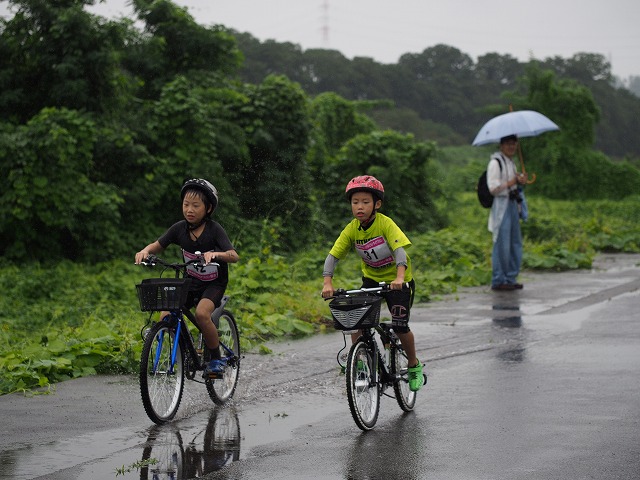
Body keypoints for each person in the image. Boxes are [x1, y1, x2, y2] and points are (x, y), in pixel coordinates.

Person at [321, 175, 424, 392]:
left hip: (399, 281)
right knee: (356, 320)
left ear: (377, 204)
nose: (359, 207)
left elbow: (399, 251)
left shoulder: (385, 224)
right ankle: (360, 364)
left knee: (400, 326)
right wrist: (327, 282)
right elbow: (333, 256)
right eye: (355, 202)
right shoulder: (352, 229)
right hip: (371, 279)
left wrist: (399, 278)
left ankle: (414, 365)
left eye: (365, 202)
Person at [135, 178, 239, 377]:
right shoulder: (179, 229)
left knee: (202, 314)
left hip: (214, 284)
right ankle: (183, 348)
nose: (189, 210)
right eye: (186, 204)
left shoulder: (214, 230)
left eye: (196, 206)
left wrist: (215, 254)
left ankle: (215, 358)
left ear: (208, 208)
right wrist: (145, 251)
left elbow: (233, 256)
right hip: (191, 282)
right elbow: (156, 246)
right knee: (165, 313)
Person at [487, 135, 528, 291]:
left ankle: (510, 278)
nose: (511, 147)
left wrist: (521, 181)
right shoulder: (495, 163)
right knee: (502, 243)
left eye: (514, 144)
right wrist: (512, 182)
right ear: (501, 146)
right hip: (501, 206)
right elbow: (493, 188)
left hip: (513, 204)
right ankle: (499, 279)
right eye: (508, 144)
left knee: (515, 243)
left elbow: (515, 185)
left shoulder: (511, 163)